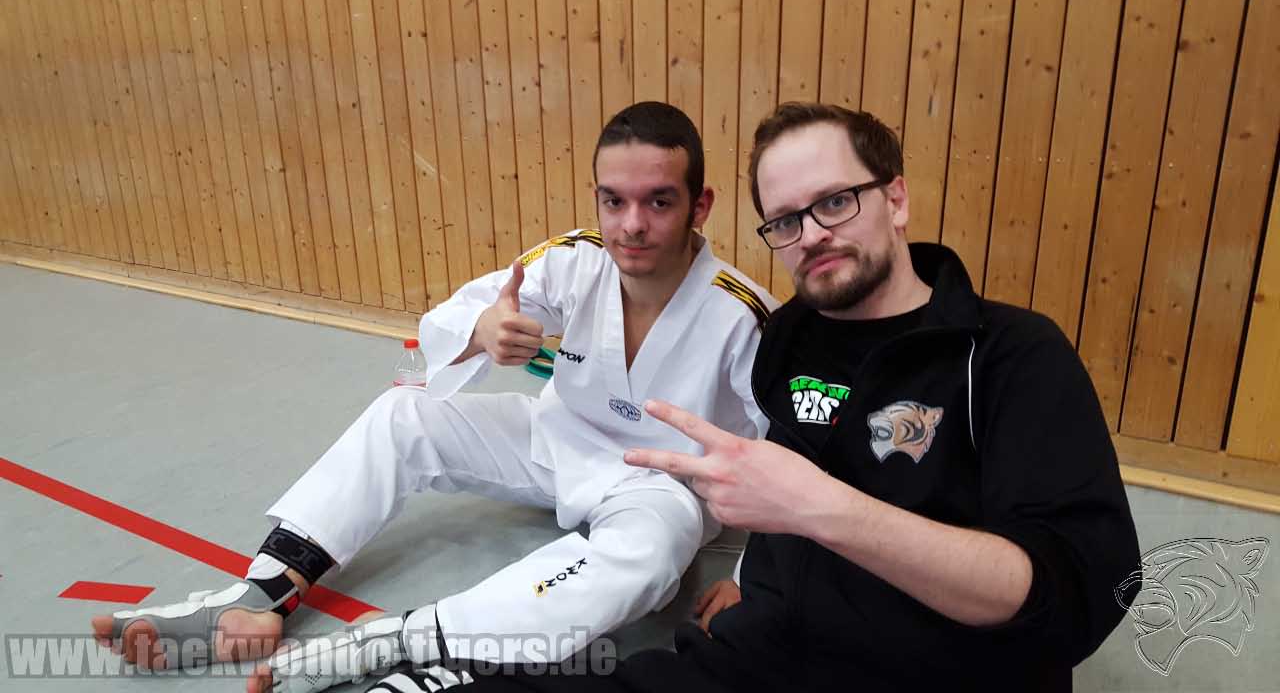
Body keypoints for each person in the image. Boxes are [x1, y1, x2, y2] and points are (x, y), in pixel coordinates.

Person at [371, 102, 1141, 692]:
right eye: (785, 220)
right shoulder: (791, 343)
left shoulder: (1009, 354)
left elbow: (1079, 594)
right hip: (760, 658)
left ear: (897, 198)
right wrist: (749, 578)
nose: (812, 233)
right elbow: (773, 479)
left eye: (836, 202)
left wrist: (820, 508)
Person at [90, 101, 777, 693]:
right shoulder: (574, 258)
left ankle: (420, 643)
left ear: (700, 205)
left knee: (651, 556)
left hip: (658, 484)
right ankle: (266, 590)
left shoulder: (741, 316)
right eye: (613, 200)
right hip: (556, 439)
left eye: (659, 201)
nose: (631, 224)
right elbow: (461, 312)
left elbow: (791, 452)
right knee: (407, 410)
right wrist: (484, 331)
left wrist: (753, 580)